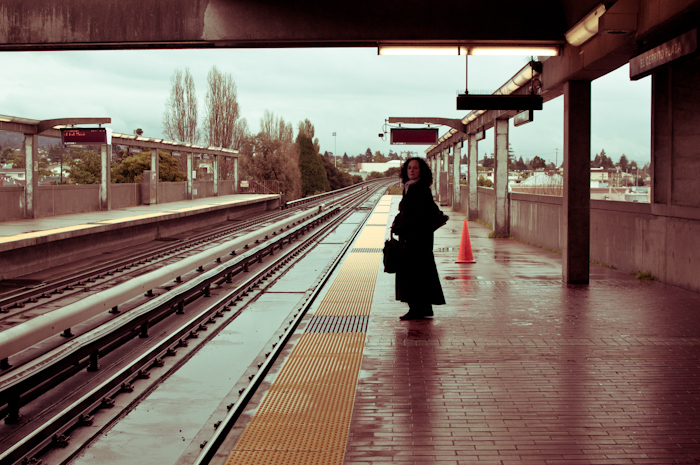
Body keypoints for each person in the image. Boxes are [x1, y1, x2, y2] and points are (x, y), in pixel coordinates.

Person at [391, 157, 447, 320]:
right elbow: (407, 211)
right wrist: (398, 221)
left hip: (417, 239)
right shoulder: (410, 188)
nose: (412, 170)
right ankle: (423, 307)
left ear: (421, 170)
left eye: (415, 168)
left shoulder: (421, 189)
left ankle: (417, 308)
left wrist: (402, 227)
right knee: (420, 272)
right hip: (415, 238)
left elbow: (420, 216)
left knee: (414, 272)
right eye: (409, 168)